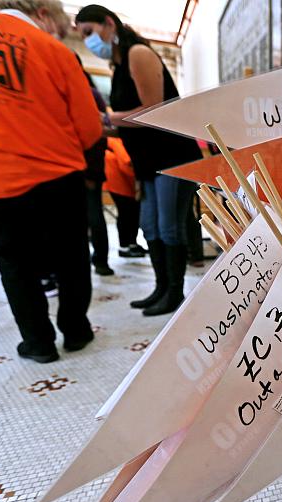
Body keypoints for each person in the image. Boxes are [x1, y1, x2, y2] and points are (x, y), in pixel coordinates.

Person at [0, 1, 102, 363]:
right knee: (71, 257)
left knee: (14, 264)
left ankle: (38, 343)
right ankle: (76, 331)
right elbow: (90, 129)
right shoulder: (56, 52)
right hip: (58, 176)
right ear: (43, 13)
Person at [76, 5, 202, 316]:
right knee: (150, 227)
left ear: (109, 23)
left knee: (169, 227)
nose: (88, 40)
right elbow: (126, 123)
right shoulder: (117, 67)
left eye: (89, 32)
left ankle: (175, 293)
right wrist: (104, 126)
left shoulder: (138, 53)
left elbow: (152, 110)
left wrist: (106, 118)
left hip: (173, 155)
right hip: (147, 161)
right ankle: (161, 287)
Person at [78, 61, 114, 276]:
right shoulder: (93, 93)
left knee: (90, 214)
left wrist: (90, 169)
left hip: (84, 164)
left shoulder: (85, 94)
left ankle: (98, 260)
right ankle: (99, 261)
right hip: (89, 163)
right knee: (92, 212)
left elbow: (97, 132)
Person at [103, 136, 144, 257]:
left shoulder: (114, 140)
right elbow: (127, 162)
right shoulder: (117, 141)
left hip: (118, 181)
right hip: (120, 182)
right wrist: (140, 176)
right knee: (128, 213)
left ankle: (131, 244)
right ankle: (126, 246)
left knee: (128, 213)